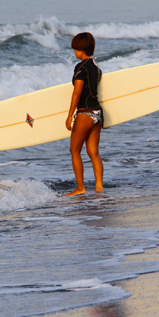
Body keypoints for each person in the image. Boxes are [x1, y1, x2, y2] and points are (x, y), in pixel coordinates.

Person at [65, 32, 104, 196]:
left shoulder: (80, 67)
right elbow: (98, 93)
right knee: (93, 152)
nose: (74, 51)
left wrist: (69, 115)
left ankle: (80, 188)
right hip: (98, 114)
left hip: (85, 113)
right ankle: (99, 187)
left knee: (74, 150)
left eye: (75, 48)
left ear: (82, 49)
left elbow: (77, 92)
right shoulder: (97, 68)